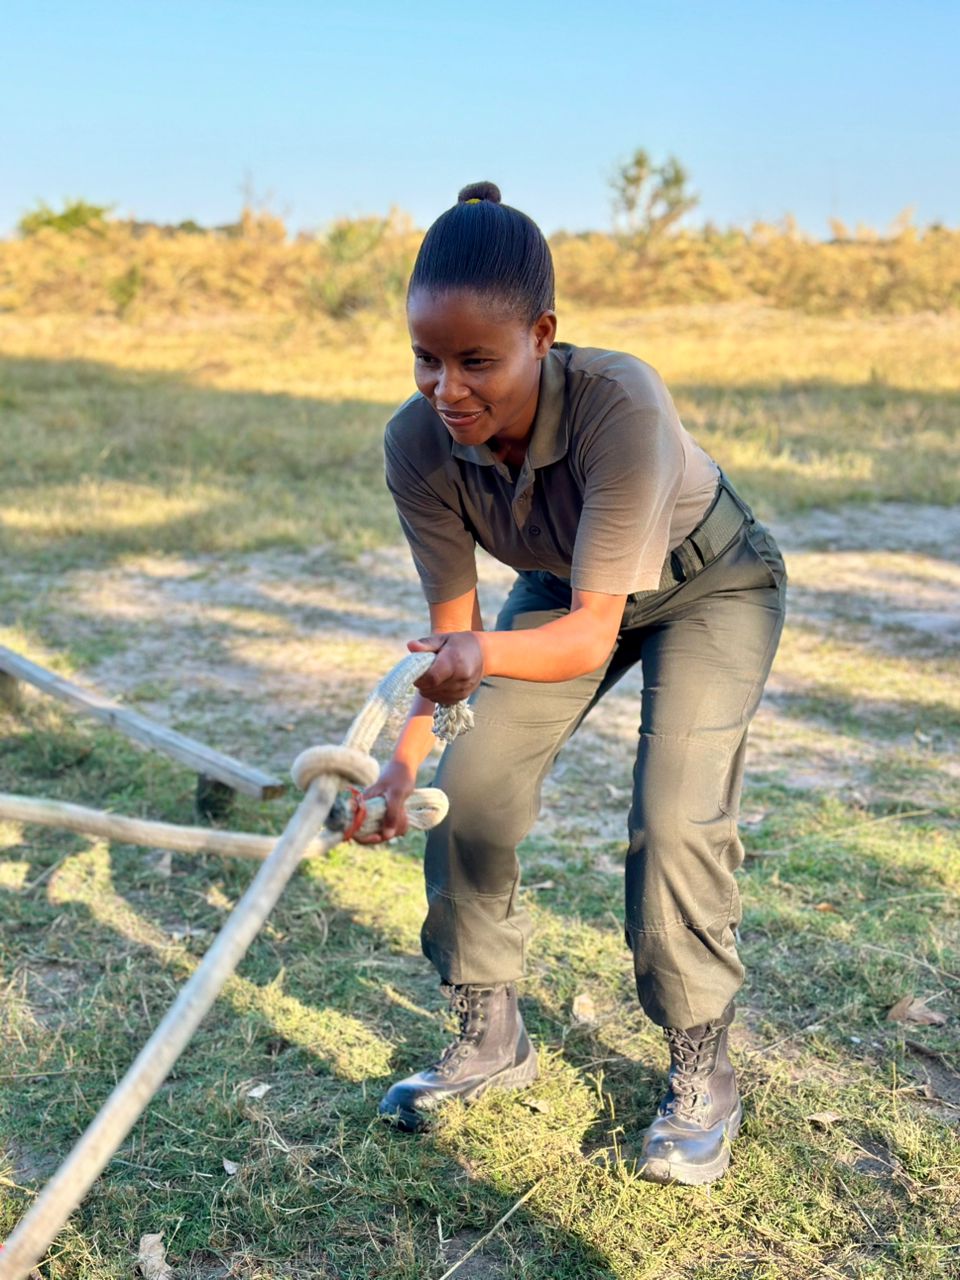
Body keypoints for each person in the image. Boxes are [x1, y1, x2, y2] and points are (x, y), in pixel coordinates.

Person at [359, 181, 787, 1186]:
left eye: (476, 362)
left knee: (676, 813)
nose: (445, 389)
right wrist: (400, 763)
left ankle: (700, 1065)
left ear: (542, 336)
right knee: (472, 787)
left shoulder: (620, 401)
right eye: (426, 358)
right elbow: (452, 638)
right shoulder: (416, 445)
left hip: (709, 580)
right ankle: (488, 1030)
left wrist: (479, 660)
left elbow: (592, 633)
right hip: (564, 583)